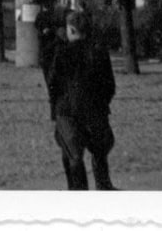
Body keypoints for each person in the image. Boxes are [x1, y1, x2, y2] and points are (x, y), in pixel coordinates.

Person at [47, 10, 117, 190]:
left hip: (68, 111)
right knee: (99, 151)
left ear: (71, 30)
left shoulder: (62, 52)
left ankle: (77, 190)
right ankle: (103, 184)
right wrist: (102, 104)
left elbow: (53, 84)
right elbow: (110, 85)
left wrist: (56, 109)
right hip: (95, 112)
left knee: (73, 155)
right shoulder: (99, 52)